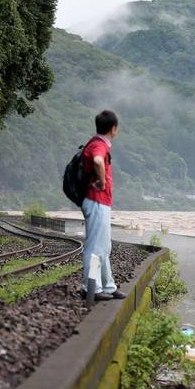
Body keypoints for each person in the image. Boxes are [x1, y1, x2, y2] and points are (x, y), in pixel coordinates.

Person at [81, 110, 126, 301]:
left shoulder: (98, 143)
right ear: (113, 129)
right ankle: (90, 288)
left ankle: (108, 286)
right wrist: (102, 182)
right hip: (96, 201)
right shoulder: (98, 145)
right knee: (95, 248)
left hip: (101, 202)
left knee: (104, 247)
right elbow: (98, 160)